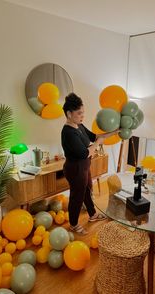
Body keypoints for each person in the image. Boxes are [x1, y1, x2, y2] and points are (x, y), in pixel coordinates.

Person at [61, 93, 118, 234]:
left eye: (83, 112)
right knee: (76, 197)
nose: (82, 116)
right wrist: (98, 143)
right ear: (69, 114)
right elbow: (85, 153)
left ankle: (92, 215)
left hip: (84, 166)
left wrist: (115, 131)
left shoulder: (79, 126)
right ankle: (73, 224)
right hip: (75, 169)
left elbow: (95, 136)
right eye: (79, 113)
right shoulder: (68, 132)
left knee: (87, 191)